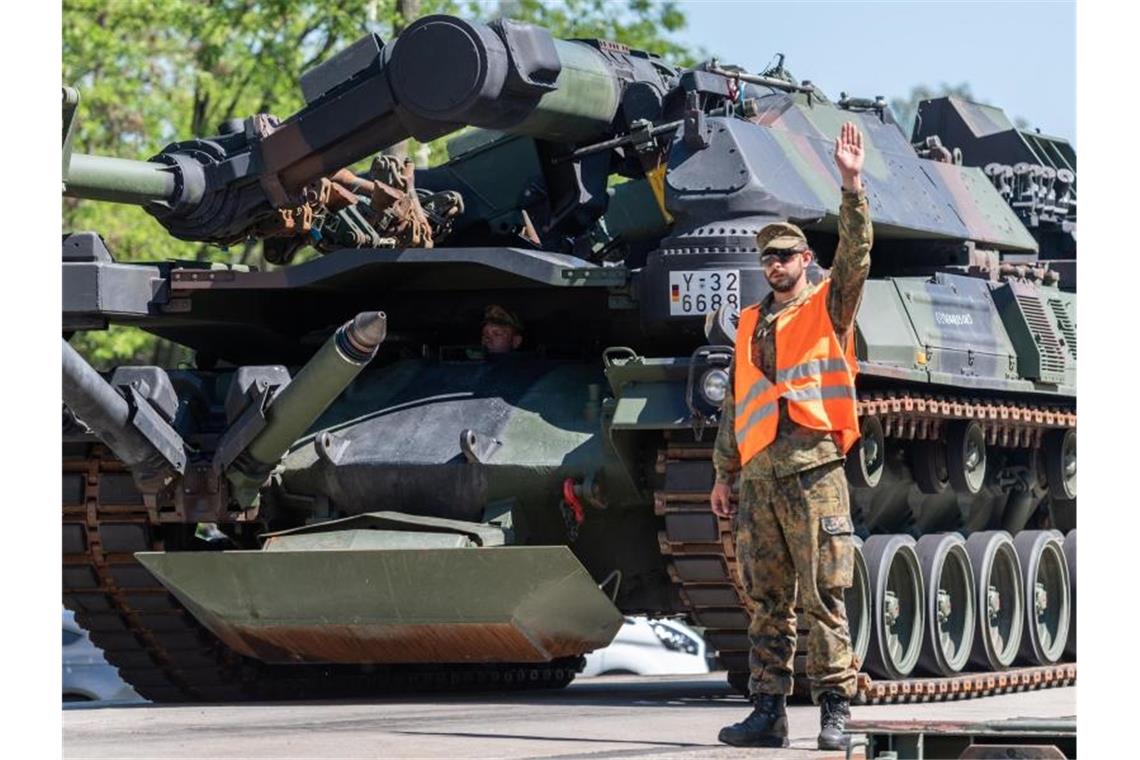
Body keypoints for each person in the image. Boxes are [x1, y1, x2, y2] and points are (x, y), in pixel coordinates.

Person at [711, 121, 872, 751]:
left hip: (812, 469)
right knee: (766, 602)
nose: (775, 265)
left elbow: (856, 255)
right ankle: (767, 712)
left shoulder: (830, 305)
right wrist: (724, 475)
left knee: (825, 595)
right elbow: (737, 406)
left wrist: (852, 186)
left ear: (806, 259)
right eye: (768, 257)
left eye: (786, 255)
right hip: (758, 480)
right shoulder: (750, 321)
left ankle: (835, 709)